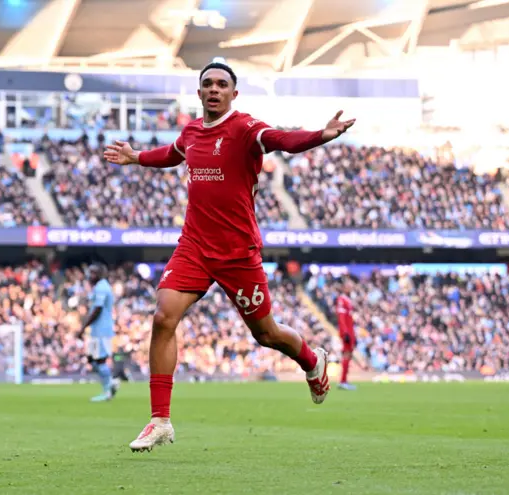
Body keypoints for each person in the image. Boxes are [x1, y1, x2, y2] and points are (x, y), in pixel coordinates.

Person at [103, 61, 356, 452]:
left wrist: (321, 135)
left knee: (266, 334)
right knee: (163, 315)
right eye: (208, 84)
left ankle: (311, 360)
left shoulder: (244, 129)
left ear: (234, 94)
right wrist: (137, 157)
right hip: (194, 247)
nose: (215, 89)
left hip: (238, 253)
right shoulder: (191, 133)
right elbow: (172, 154)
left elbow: (283, 140)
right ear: (200, 93)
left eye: (223, 84)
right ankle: (160, 420)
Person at [80, 263, 118, 402]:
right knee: (92, 360)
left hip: (102, 329)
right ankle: (111, 382)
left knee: (100, 360)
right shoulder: (99, 287)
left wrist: (83, 327)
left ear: (101, 274)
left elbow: (97, 310)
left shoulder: (102, 287)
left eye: (94, 273)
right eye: (90, 273)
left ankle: (108, 391)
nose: (91, 276)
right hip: (97, 330)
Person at [336, 277, 366, 390]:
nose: (351, 288)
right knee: (347, 354)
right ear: (344, 287)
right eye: (349, 286)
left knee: (348, 355)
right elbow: (341, 318)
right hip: (347, 332)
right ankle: (343, 381)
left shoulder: (348, 300)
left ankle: (344, 381)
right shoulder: (341, 300)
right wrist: (345, 333)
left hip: (350, 331)